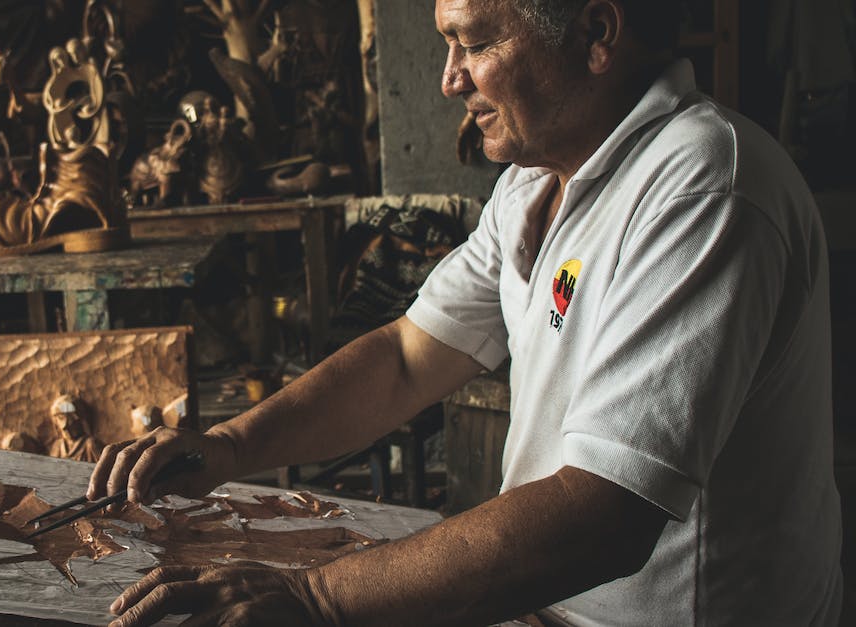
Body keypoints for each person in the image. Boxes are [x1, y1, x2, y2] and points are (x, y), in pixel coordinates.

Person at [88, 1, 843, 625]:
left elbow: (604, 517)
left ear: (597, 34)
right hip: (550, 608)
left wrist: (314, 596)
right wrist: (223, 448)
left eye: (475, 43)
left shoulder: (703, 187)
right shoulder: (535, 183)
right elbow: (410, 357)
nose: (450, 80)